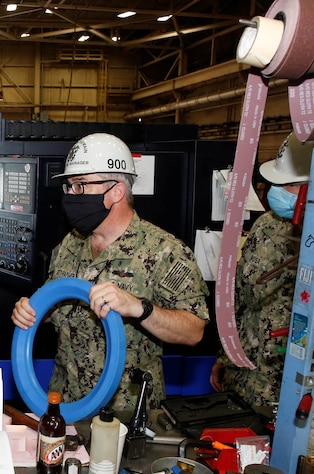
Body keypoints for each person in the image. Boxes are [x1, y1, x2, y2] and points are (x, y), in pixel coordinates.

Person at [11, 133, 209, 412]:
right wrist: (33, 311)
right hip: (63, 406)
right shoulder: (71, 243)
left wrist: (139, 308)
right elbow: (56, 304)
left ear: (116, 190)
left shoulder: (164, 251)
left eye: (80, 186)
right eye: (69, 187)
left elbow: (194, 331)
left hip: (125, 415)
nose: (71, 196)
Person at [211, 133, 314, 407]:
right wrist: (225, 356)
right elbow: (240, 300)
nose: (275, 193)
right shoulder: (268, 226)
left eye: (289, 184)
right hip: (247, 386)